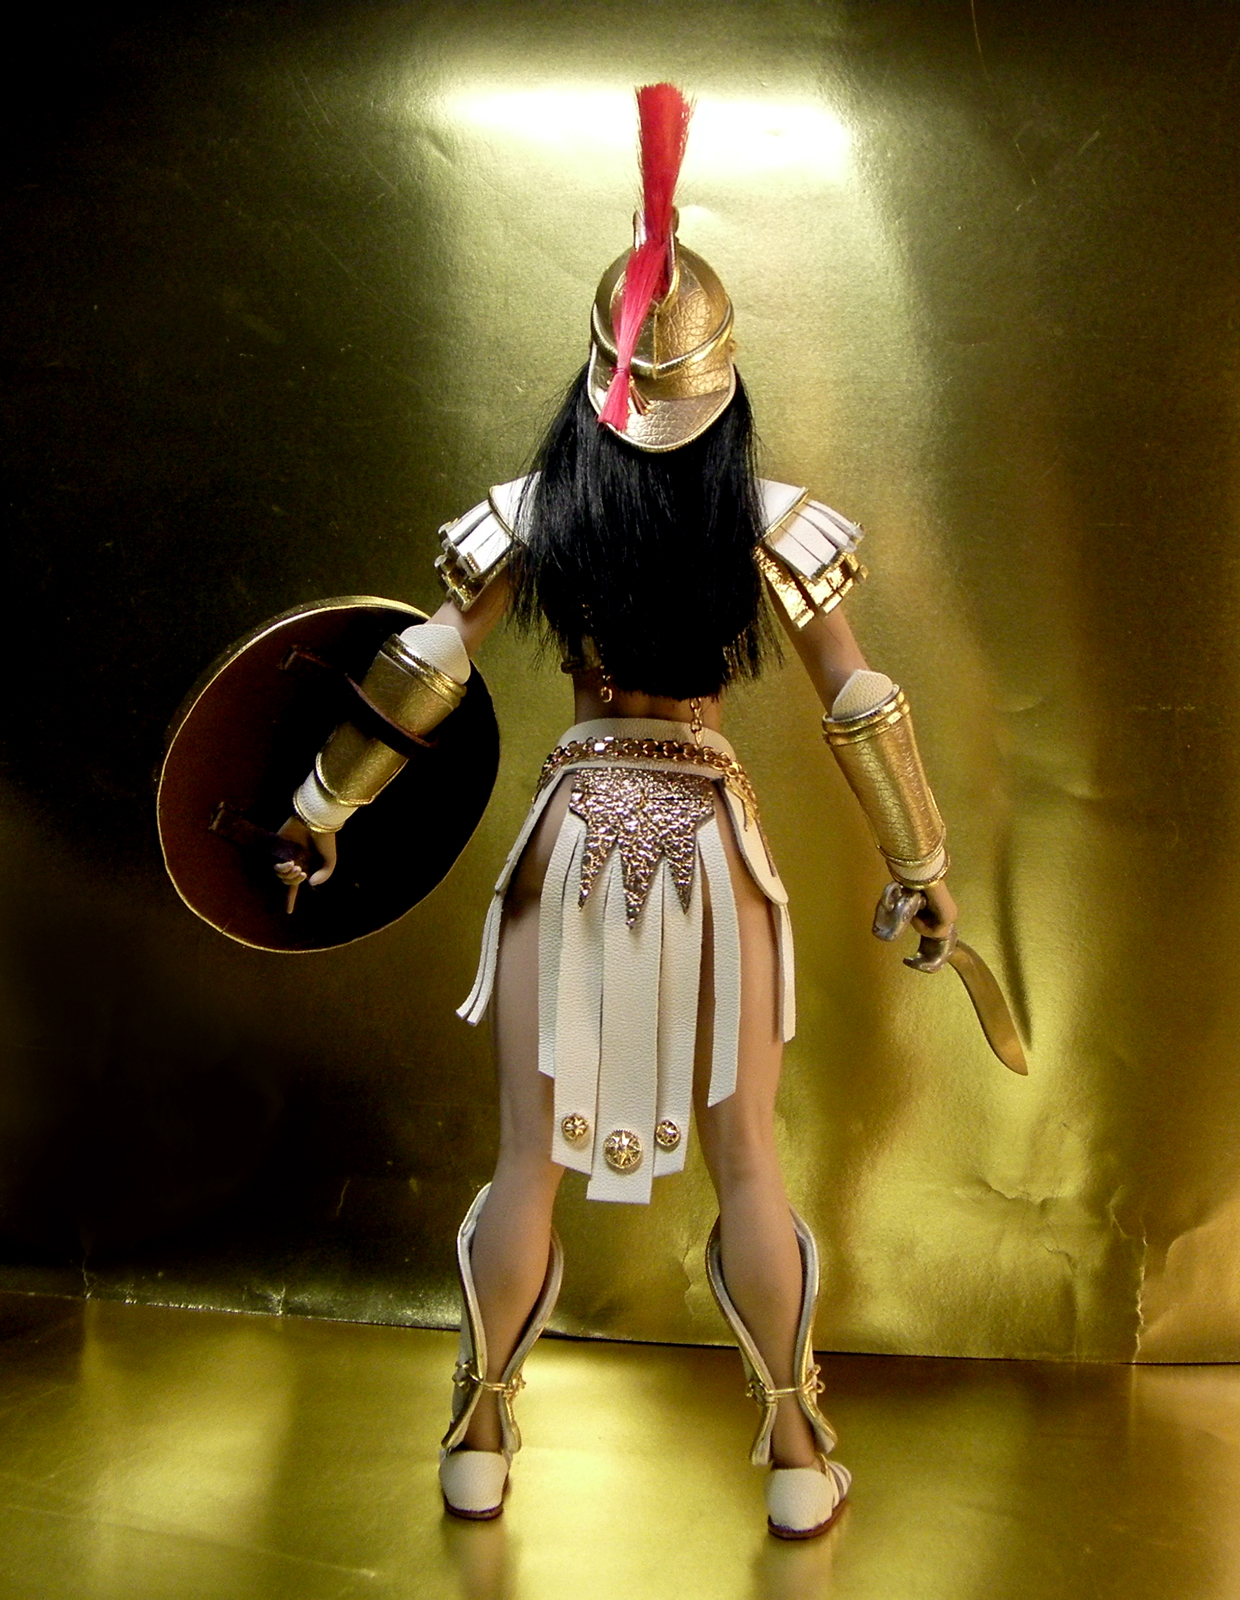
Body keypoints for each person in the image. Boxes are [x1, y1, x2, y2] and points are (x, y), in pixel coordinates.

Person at [273, 84, 956, 1540]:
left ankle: (478, 1433)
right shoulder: (768, 518)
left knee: (528, 1156)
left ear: (596, 377)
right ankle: (794, 1453)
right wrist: (921, 859)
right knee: (749, 1158)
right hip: (707, 837)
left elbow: (425, 668)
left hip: (573, 837)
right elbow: (857, 695)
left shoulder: (537, 512)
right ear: (725, 380)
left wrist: (321, 804)